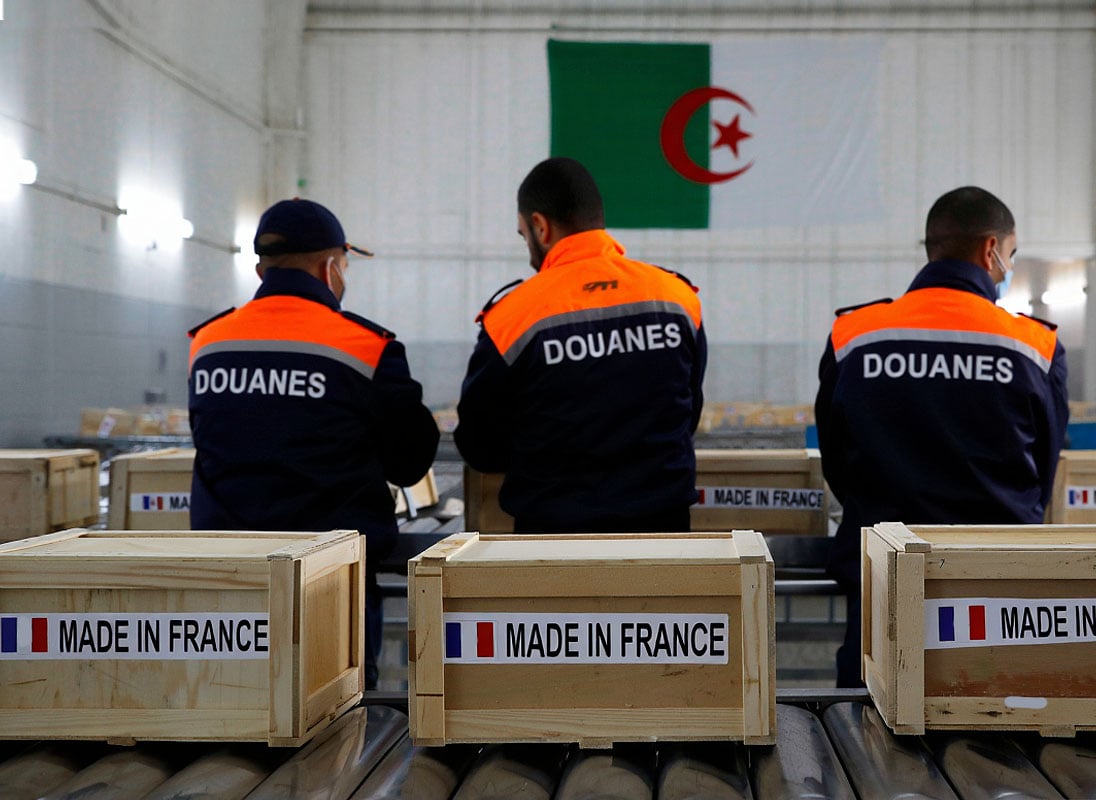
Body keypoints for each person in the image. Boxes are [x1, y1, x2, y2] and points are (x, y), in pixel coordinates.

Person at [815, 186, 1069, 687]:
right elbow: (1044, 467)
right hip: (995, 578)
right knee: (996, 710)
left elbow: (835, 457)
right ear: (991, 249)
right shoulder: (1034, 345)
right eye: (1011, 253)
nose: (1007, 266)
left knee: (871, 708)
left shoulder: (855, 335)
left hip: (882, 568)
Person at [187, 198, 440, 689]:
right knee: (335, 718)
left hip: (229, 590)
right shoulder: (365, 347)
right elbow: (410, 462)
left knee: (233, 706)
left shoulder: (208, 343)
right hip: (331, 587)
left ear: (261, 270)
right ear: (329, 268)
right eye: (345, 266)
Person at [455, 157, 707, 533]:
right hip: (662, 535)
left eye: (524, 235)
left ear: (540, 226)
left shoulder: (512, 317)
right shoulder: (676, 299)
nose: (528, 249)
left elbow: (478, 445)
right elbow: (688, 411)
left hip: (552, 541)